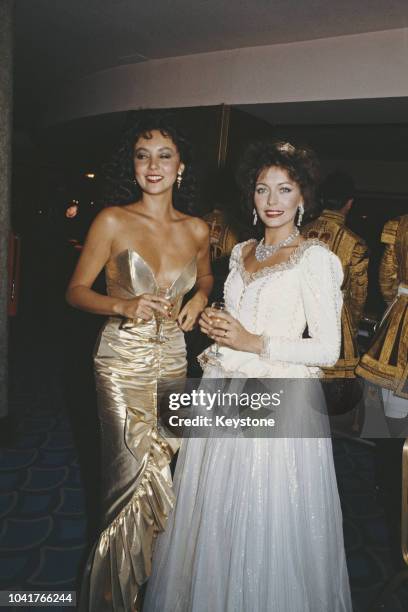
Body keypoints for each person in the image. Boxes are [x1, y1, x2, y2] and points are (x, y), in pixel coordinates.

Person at [144, 140, 352, 611]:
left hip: (280, 397)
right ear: (252, 197)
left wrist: (254, 341)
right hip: (225, 386)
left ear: (303, 198)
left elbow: (327, 349)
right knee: (213, 510)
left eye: (285, 189)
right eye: (263, 189)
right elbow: (237, 320)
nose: (273, 200)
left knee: (265, 516)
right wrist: (215, 323)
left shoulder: (316, 259)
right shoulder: (240, 253)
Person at [66, 113, 212, 611]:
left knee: (164, 473)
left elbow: (206, 278)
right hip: (121, 360)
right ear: (132, 166)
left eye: (164, 155)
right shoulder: (112, 219)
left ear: (181, 166)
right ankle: (108, 599)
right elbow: (75, 292)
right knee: (126, 477)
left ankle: (149, 586)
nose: (153, 165)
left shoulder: (197, 229)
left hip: (172, 359)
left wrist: (199, 299)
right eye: (143, 155)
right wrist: (121, 304)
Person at [302, 171, 369, 380]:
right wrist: (353, 325)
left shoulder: (298, 233)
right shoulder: (354, 243)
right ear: (349, 203)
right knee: (331, 396)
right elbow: (358, 295)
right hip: (334, 321)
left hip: (298, 315)